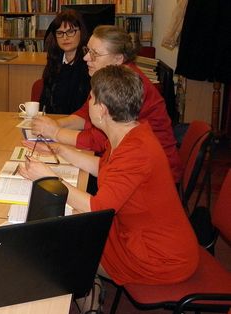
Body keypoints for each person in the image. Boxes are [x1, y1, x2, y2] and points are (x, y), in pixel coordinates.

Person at [20, 65, 198, 286]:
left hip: (158, 257)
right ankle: (88, 288)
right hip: (144, 234)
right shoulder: (131, 132)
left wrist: (46, 178)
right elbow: (105, 167)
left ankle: (89, 298)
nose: (89, 104)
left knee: (60, 241)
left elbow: (96, 207)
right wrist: (61, 150)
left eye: (91, 99)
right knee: (73, 222)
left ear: (102, 109)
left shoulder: (135, 150)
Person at [31, 25, 182, 182]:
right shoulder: (110, 77)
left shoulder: (124, 86)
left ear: (118, 59)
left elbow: (98, 140)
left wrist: (55, 133)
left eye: (95, 54)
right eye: (87, 50)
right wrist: (56, 124)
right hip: (128, 163)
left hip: (154, 174)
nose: (86, 58)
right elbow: (86, 114)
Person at [38, 9, 90, 114]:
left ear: (81, 32)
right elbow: (45, 100)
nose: (65, 38)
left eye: (70, 32)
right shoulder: (54, 60)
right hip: (52, 122)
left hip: (76, 125)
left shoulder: (88, 64)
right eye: (60, 33)